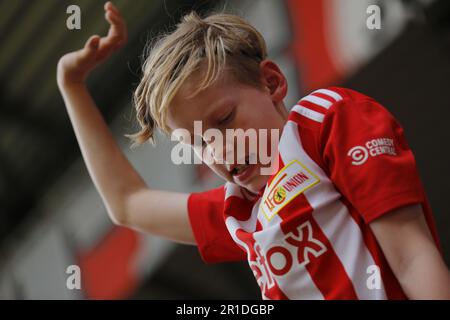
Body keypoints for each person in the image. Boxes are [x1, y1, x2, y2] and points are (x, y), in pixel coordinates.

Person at [56, 2, 450, 299]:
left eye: (225, 119)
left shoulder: (329, 121)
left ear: (272, 82)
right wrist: (71, 84)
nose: (218, 147)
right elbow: (127, 203)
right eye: (197, 140)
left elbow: (412, 258)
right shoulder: (239, 213)